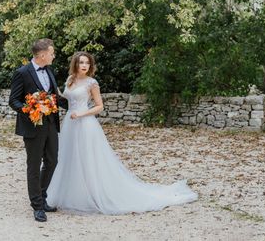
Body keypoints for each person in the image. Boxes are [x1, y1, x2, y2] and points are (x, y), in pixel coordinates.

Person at [46, 51, 197, 214]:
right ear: (75, 64)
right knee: (69, 157)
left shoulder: (92, 83)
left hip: (85, 123)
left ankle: (94, 195)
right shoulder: (70, 80)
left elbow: (99, 106)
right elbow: (66, 99)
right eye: (81, 62)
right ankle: (72, 193)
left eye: (87, 63)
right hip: (70, 123)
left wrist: (81, 114)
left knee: (88, 158)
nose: (84, 66)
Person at [8, 38, 68, 222]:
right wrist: (30, 109)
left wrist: (75, 105)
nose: (53, 55)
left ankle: (41, 196)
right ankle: (37, 206)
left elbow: (54, 96)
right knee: (33, 166)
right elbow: (14, 100)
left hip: (50, 124)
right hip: (32, 126)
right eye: (52, 53)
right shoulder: (22, 73)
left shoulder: (49, 70)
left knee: (52, 161)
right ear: (42, 55)